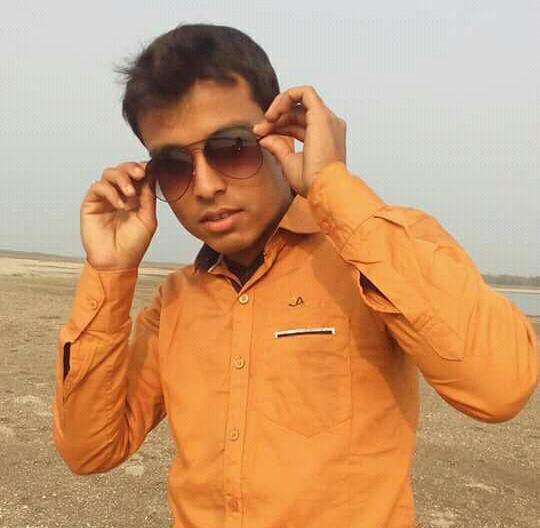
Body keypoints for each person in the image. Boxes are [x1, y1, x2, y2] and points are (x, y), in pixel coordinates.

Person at [52, 23, 538, 528]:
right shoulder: (175, 302)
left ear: (280, 135)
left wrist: (331, 184)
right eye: (174, 166)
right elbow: (90, 449)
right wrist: (109, 271)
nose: (206, 186)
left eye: (231, 147)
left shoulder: (374, 254)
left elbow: (499, 387)